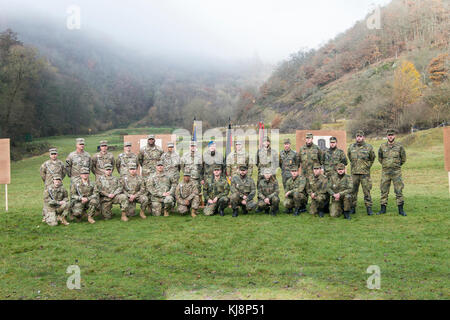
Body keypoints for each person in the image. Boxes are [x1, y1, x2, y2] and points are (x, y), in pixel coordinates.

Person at [377, 129, 407, 216]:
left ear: (394, 136)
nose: (390, 136)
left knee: (399, 190)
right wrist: (386, 164)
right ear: (387, 136)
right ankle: (383, 209)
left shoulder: (399, 146)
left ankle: (401, 210)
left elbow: (403, 158)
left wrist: (396, 165)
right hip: (385, 172)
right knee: (384, 190)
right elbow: (380, 158)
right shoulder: (382, 146)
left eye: (392, 135)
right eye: (389, 135)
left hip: (396, 172)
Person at [347, 130, 376, 215]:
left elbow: (372, 158)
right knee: (353, 191)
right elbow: (349, 156)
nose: (359, 138)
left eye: (360, 136)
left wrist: (367, 166)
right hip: (354, 173)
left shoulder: (368, 147)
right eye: (357, 136)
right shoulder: (351, 147)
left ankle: (369, 208)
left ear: (363, 137)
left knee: (367, 191)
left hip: (365, 174)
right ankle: (352, 208)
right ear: (356, 137)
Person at [40, 148, 66, 222]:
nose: (54, 156)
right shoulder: (46, 164)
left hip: (58, 185)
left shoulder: (61, 163)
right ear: (49, 155)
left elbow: (64, 173)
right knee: (47, 200)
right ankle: (45, 215)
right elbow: (42, 173)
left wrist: (59, 180)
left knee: (59, 198)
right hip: (49, 184)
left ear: (57, 154)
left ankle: (59, 214)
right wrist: (47, 181)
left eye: (55, 154)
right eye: (52, 154)